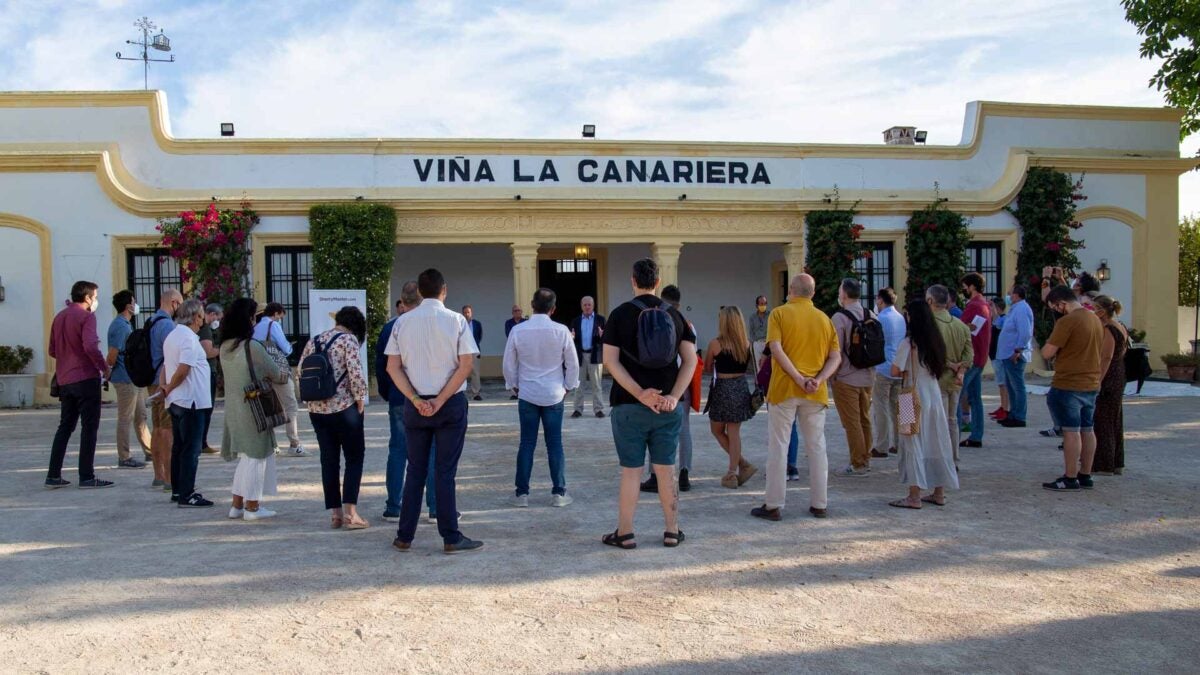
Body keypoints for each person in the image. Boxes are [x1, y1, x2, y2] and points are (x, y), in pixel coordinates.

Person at [386, 268, 485, 554]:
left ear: (419, 291)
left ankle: (404, 535)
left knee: (415, 470)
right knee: (444, 471)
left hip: (415, 405)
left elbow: (393, 367)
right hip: (449, 403)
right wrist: (440, 400)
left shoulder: (402, 323)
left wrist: (417, 400)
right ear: (444, 290)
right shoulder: (456, 320)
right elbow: (466, 364)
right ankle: (450, 536)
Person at [600, 258, 697, 549]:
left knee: (631, 471)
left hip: (629, 406)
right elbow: (690, 360)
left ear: (633, 280)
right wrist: (673, 397)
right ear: (657, 281)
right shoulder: (677, 317)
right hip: (667, 407)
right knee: (666, 469)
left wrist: (640, 392)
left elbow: (610, 362)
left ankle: (626, 533)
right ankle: (671, 530)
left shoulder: (619, 315)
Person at [754, 273, 840, 521]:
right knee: (817, 447)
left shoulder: (779, 314)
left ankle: (773, 504)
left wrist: (798, 378)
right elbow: (835, 356)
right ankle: (819, 503)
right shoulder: (824, 319)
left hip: (784, 389)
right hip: (816, 391)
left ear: (791, 290)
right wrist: (818, 379)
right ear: (812, 293)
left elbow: (776, 350)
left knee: (779, 446)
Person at [504, 288, 580, 507]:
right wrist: (568, 386)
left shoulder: (518, 330)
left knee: (526, 443)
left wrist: (514, 386)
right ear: (553, 309)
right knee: (554, 444)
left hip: (527, 393)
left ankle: (522, 494)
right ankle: (559, 492)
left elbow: (509, 363)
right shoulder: (561, 330)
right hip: (554, 393)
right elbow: (572, 363)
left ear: (531, 305)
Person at [218, 298, 289, 520]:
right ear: (248, 319)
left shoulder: (225, 347)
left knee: (246, 457)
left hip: (234, 408)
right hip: (254, 406)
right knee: (257, 455)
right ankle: (252, 506)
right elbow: (277, 373)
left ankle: (237, 505)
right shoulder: (252, 346)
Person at [302, 306, 370, 528]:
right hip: (343, 407)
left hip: (317, 410)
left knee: (328, 460)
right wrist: (360, 399)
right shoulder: (348, 340)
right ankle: (351, 514)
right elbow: (356, 373)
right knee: (354, 457)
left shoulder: (315, 341)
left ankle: (336, 514)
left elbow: (301, 371)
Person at [888, 300, 960, 508]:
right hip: (933, 396)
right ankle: (939, 491)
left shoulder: (909, 344)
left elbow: (895, 371)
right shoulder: (935, 341)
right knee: (936, 441)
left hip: (911, 397)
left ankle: (914, 495)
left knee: (911, 442)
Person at [45, 280, 114, 490]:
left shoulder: (59, 317)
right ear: (87, 297)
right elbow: (91, 346)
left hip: (65, 379)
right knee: (89, 427)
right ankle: (86, 475)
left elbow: (52, 350)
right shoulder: (86, 317)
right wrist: (104, 367)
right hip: (85, 378)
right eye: (95, 295)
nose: (96, 300)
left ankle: (53, 474)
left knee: (65, 426)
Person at [376, 291, 437, 522]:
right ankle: (435, 507)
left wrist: (388, 392)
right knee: (432, 451)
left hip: (399, 397)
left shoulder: (391, 327)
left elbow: (381, 366)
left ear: (402, 301)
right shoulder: (433, 325)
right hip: (428, 395)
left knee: (398, 450)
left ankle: (393, 506)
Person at [1040, 285, 1104, 491]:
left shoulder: (1067, 321)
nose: (1057, 311)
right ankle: (1086, 474)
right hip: (1091, 382)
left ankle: (1070, 477)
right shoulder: (1094, 318)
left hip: (1069, 383)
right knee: (1088, 429)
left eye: (1055, 307)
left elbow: (1047, 353)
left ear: (1062, 303)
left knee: (1071, 431)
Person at [640, 285, 696, 493]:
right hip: (682, 384)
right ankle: (684, 474)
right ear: (679, 304)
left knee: (653, 430)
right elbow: (690, 359)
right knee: (684, 430)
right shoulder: (688, 325)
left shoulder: (653, 322)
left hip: (659, 382)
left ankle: (655, 475)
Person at [160, 299, 215, 507]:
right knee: (191, 450)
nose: (203, 321)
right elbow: (183, 369)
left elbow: (166, 366)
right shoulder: (190, 339)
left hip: (177, 400)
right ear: (194, 317)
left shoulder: (172, 336)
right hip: (190, 401)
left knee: (180, 447)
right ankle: (187, 494)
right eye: (201, 316)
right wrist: (170, 386)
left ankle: (177, 490)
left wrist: (165, 386)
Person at [705, 305, 755, 489]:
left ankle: (739, 468)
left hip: (723, 388)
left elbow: (708, 367)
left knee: (717, 429)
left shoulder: (715, 344)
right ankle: (735, 470)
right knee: (734, 433)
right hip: (741, 386)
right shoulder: (746, 343)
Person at [830, 278, 875, 477]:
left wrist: (830, 375)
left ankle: (858, 462)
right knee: (864, 418)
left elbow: (835, 351)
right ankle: (866, 458)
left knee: (851, 422)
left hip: (846, 377)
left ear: (845, 294)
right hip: (867, 376)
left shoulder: (839, 318)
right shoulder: (870, 314)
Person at [253, 302, 307, 457]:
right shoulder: (273, 325)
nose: (279, 320)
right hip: (277, 371)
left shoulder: (255, 328)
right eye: (280, 317)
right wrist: (290, 348)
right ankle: (294, 444)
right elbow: (285, 347)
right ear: (276, 313)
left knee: (268, 408)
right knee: (290, 405)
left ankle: (271, 444)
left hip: (261, 372)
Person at [926, 285, 972, 463]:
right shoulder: (960, 325)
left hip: (937, 378)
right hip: (955, 380)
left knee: (938, 422)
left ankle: (942, 459)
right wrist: (961, 369)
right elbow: (969, 353)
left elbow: (930, 353)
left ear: (930, 301)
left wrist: (951, 365)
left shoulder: (930, 326)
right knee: (952, 420)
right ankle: (953, 456)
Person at [106, 290, 151, 469]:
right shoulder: (120, 326)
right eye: (134, 301)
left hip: (132, 377)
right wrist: (108, 369)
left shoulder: (124, 324)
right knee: (126, 417)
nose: (136, 304)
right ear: (128, 306)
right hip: (124, 378)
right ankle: (124, 457)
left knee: (140, 415)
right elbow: (112, 355)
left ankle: (150, 451)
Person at [148, 289, 182, 492]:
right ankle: (170, 478)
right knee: (168, 429)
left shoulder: (151, 321)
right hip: (164, 383)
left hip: (151, 381)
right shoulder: (168, 325)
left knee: (158, 427)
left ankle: (158, 474)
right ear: (173, 303)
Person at [1091, 295, 1128, 475]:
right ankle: (1116, 462)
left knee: (1103, 420)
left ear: (1102, 311)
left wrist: (1098, 380)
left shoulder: (1108, 329)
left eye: (1094, 308)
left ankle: (1104, 463)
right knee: (1114, 419)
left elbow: (1106, 357)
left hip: (1110, 377)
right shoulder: (1120, 326)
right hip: (1119, 373)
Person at [870, 287, 905, 460]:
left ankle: (881, 445)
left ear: (880, 300)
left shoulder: (880, 319)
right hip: (899, 367)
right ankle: (899, 443)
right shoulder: (900, 318)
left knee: (880, 406)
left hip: (883, 367)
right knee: (897, 407)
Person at [958, 273, 992, 448]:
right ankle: (976, 435)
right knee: (975, 398)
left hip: (971, 358)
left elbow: (960, 330)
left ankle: (953, 434)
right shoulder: (984, 304)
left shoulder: (974, 306)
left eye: (965, 286)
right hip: (980, 357)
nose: (963, 289)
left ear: (971, 287)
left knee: (956, 395)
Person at [996, 285, 1034, 428]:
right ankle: (1013, 413)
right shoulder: (1015, 309)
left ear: (1016, 295)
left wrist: (1018, 349)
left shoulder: (1022, 309)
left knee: (1017, 386)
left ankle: (1019, 416)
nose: (1008, 296)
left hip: (1015, 354)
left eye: (1009, 294)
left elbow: (1025, 332)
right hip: (1007, 354)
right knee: (1011, 386)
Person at [570, 295, 606, 418]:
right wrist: (572, 338)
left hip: (594, 355)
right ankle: (578, 409)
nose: (587, 307)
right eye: (584, 305)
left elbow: (606, 339)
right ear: (581, 306)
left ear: (593, 305)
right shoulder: (575, 321)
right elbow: (572, 339)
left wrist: (603, 336)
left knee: (596, 384)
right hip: (580, 356)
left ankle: (598, 409)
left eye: (589, 304)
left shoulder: (601, 319)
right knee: (579, 385)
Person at [198, 303, 223, 454]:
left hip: (208, 372)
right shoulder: (206, 330)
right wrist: (222, 349)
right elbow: (207, 352)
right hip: (208, 373)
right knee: (207, 409)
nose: (218, 321)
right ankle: (202, 443)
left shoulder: (205, 329)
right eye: (218, 318)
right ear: (212, 314)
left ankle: (202, 442)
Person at [988, 296, 1010, 420]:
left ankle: (1005, 408)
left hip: (999, 356)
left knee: (1003, 384)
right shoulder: (996, 320)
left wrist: (994, 312)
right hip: (994, 355)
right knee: (1000, 383)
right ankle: (1002, 406)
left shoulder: (1003, 319)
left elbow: (997, 326)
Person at [462, 305, 484, 400]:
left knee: (475, 372)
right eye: (465, 312)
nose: (467, 314)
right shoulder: (460, 323)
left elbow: (479, 336)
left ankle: (476, 393)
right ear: (462, 313)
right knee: (461, 372)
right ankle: (460, 392)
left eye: (468, 312)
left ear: (471, 313)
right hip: (462, 351)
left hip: (474, 351)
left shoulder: (477, 324)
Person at [748, 295, 769, 365]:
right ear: (757, 305)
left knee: (768, 365)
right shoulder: (752, 317)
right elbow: (751, 331)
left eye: (765, 303)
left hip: (768, 344)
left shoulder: (771, 315)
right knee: (758, 364)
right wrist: (753, 343)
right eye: (761, 304)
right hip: (757, 343)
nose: (763, 305)